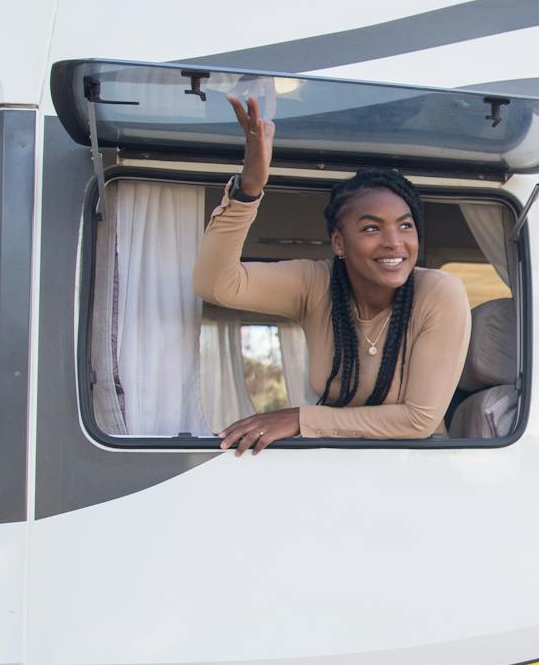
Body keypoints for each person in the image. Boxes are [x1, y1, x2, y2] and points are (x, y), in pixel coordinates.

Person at [196, 96, 470, 452]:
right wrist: (248, 191)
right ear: (339, 243)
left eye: (405, 226)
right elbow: (216, 285)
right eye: (372, 229)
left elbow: (418, 420)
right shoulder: (316, 284)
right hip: (337, 469)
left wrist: (299, 419)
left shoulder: (439, 292)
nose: (394, 243)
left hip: (415, 475)